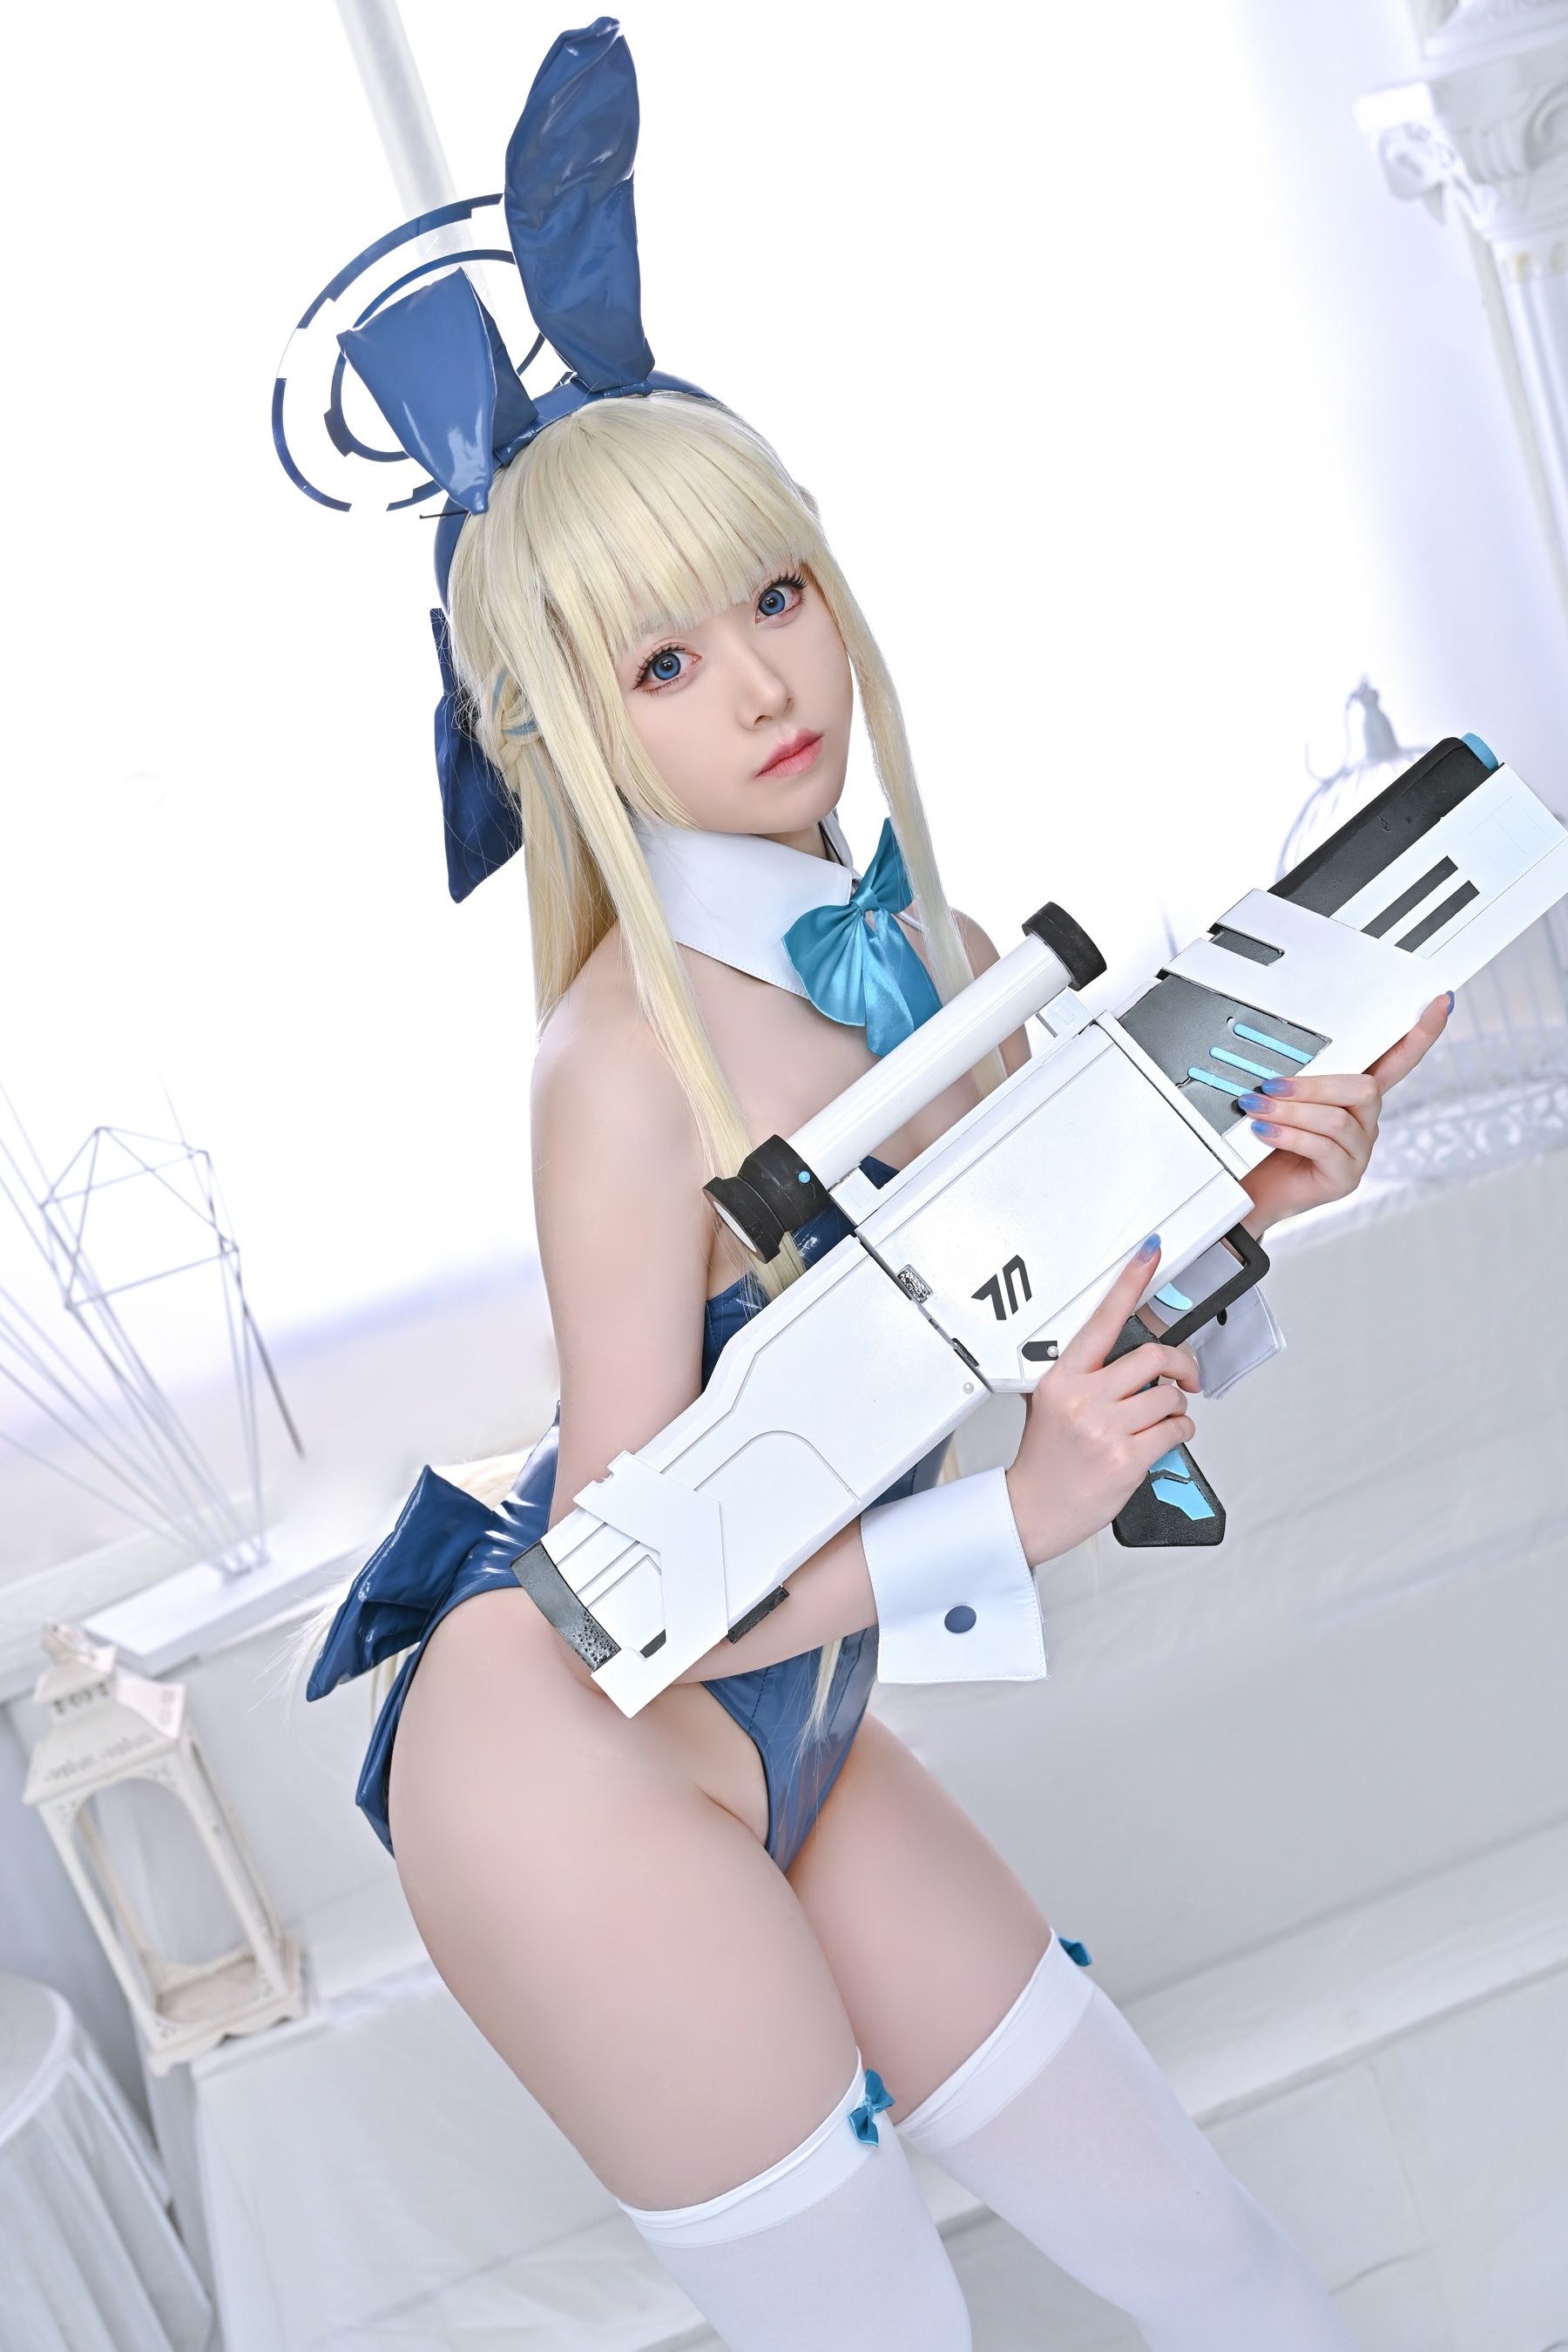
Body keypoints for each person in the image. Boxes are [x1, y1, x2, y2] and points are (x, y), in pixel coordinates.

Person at [280, 21, 1450, 2347]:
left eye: (778, 596)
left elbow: (1057, 1321)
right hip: (566, 1752)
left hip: (795, 1689)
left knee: (1198, 2239)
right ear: (575, 733)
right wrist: (1016, 1510)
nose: (765, 685)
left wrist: (1263, 1200)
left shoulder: (927, 943)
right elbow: (623, 1595)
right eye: (666, 658)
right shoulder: (616, 1066)